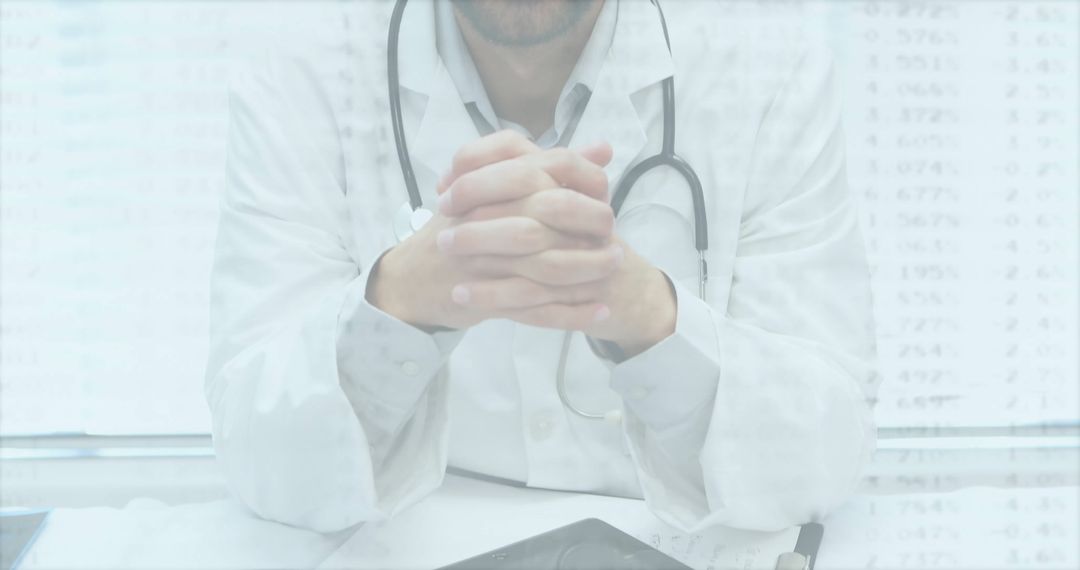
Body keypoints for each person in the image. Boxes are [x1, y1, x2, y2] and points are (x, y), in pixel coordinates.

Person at [205, 0, 879, 534]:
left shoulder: (766, 74)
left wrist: (649, 316)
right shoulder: (301, 71)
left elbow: (822, 457)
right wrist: (401, 299)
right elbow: (259, 459)